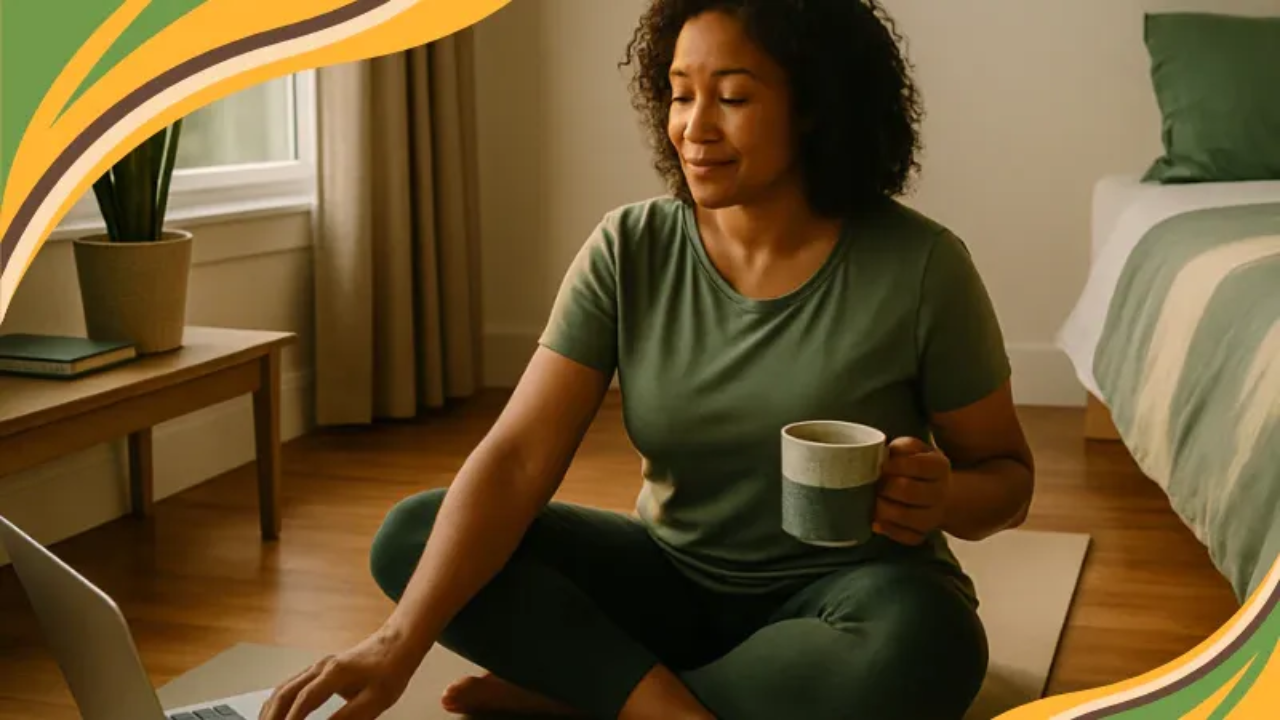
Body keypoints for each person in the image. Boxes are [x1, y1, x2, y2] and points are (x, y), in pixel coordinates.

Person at [260, 0, 1035, 718]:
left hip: (850, 597)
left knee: (926, 644)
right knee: (414, 536)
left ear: (815, 108)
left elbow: (1007, 481)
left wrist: (941, 502)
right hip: (669, 585)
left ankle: (597, 696)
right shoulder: (630, 247)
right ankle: (661, 701)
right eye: (678, 93)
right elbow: (519, 456)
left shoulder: (922, 267)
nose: (693, 127)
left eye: (731, 98)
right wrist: (399, 643)